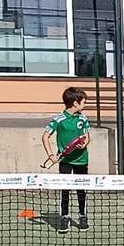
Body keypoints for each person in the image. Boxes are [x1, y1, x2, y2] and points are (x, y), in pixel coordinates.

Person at [41, 87, 92, 234]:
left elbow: (87, 135)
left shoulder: (83, 118)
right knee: (65, 189)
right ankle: (64, 217)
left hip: (81, 160)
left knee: (81, 190)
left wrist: (85, 143)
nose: (84, 105)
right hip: (65, 160)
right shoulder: (59, 119)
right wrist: (51, 155)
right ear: (75, 103)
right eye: (83, 102)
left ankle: (83, 216)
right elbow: (45, 137)